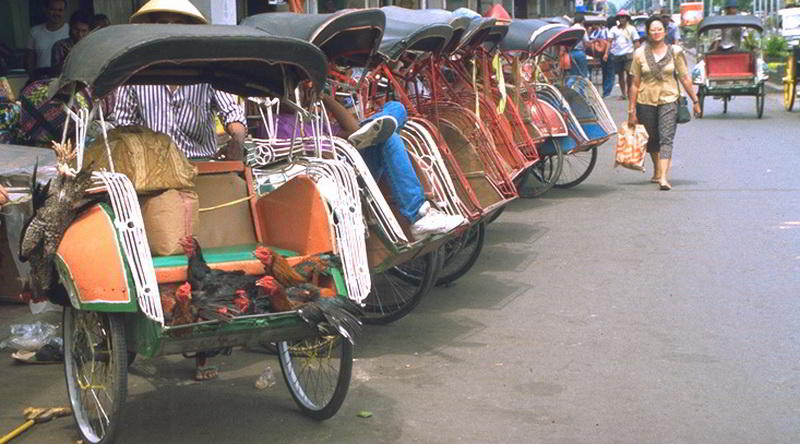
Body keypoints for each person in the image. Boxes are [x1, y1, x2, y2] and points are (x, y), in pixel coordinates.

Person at [276, 94, 466, 240]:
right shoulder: (277, 122)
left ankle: (374, 128)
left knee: (396, 107)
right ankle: (418, 215)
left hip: (354, 163)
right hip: (334, 176)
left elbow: (352, 130)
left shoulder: (313, 119)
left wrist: (325, 98)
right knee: (388, 137)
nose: (298, 95)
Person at [113, 0, 246, 160]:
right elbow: (124, 123)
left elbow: (231, 112)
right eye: (163, 23)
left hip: (199, 161)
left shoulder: (208, 68)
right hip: (153, 165)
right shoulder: (137, 70)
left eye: (178, 23)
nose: (170, 29)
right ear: (152, 28)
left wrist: (237, 140)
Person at [628, 16, 701, 191]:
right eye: (652, 29)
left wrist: (695, 100)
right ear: (647, 33)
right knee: (653, 138)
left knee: (666, 138)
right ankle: (657, 169)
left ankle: (663, 177)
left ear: (665, 32)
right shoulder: (639, 54)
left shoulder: (676, 52)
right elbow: (635, 84)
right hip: (645, 101)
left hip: (669, 99)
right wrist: (631, 110)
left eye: (659, 29)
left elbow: (684, 77)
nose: (656, 32)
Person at [25, 0, 69, 81]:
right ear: (45, 10)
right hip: (40, 79)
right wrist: (34, 79)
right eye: (53, 9)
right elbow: (29, 61)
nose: (56, 13)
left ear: (64, 11)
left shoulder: (71, 31)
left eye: (60, 10)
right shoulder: (34, 31)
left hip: (64, 80)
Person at [608, 10, 640, 99]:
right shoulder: (614, 29)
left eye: (624, 17)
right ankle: (623, 94)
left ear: (627, 18)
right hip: (617, 54)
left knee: (630, 75)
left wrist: (639, 53)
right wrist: (606, 53)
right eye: (620, 17)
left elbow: (636, 42)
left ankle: (630, 92)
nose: (622, 19)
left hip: (629, 54)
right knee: (620, 75)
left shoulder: (632, 29)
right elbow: (609, 42)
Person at [50, 10, 92, 76]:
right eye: (76, 30)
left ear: (89, 31)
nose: (80, 34)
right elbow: (55, 73)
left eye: (84, 31)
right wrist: (67, 59)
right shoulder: (60, 46)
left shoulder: (93, 46)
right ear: (70, 27)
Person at [594, 17, 614, 97]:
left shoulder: (601, 31)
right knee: (610, 73)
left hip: (602, 53)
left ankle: (605, 90)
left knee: (605, 72)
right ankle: (607, 91)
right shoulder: (614, 31)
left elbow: (593, 38)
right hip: (611, 53)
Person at [568, 14, 591, 78]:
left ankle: (570, 87)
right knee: (583, 74)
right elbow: (586, 42)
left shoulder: (570, 29)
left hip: (571, 53)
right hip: (580, 53)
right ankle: (582, 87)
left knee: (573, 74)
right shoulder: (582, 29)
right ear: (582, 21)